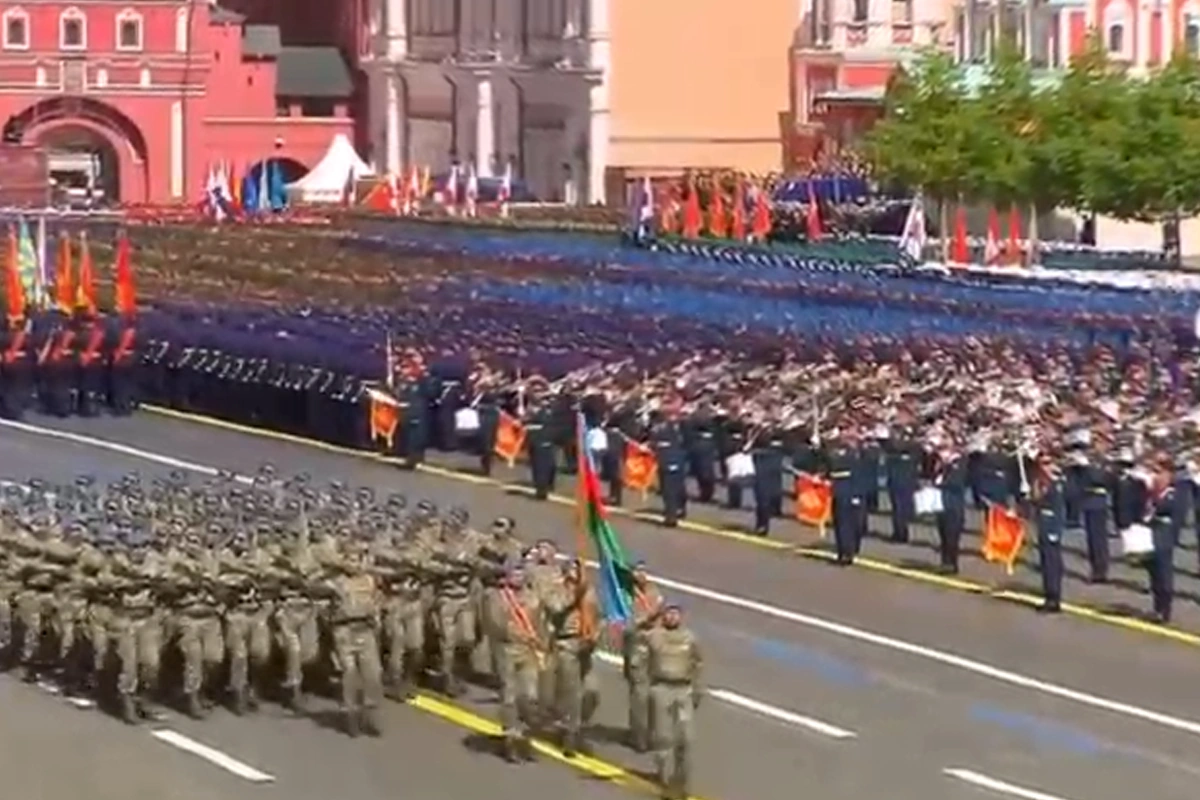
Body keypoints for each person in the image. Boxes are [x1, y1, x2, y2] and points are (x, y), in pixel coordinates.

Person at [646, 603, 702, 800]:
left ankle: (679, 781)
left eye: (675, 613)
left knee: (685, 738)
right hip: (661, 688)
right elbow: (630, 637)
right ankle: (665, 776)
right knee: (663, 737)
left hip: (683, 690)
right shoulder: (653, 636)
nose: (672, 616)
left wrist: (697, 689)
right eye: (668, 613)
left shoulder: (690, 638)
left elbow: (698, 663)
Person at [489, 562, 545, 763]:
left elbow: (540, 623)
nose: (518, 577)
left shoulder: (533, 597)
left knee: (530, 696)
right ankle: (511, 739)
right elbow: (495, 625)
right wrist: (517, 634)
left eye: (521, 573)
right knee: (509, 696)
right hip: (507, 651)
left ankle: (525, 736)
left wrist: (541, 643)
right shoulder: (498, 598)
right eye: (514, 573)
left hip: (528, 653)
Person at [545, 558, 600, 756]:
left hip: (585, 645)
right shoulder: (556, 590)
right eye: (572, 568)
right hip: (566, 644)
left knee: (592, 691)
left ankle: (578, 725)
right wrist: (576, 594)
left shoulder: (589, 592)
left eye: (579, 568)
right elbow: (556, 608)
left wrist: (595, 635)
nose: (576, 571)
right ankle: (570, 735)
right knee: (572, 693)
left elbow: (598, 615)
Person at [624, 561, 663, 752]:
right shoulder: (625, 595)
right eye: (637, 570)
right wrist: (646, 619)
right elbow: (627, 625)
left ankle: (652, 734)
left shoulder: (654, 592)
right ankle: (638, 736)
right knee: (639, 695)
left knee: (655, 696)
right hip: (637, 649)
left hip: (656, 649)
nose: (641, 574)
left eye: (643, 570)